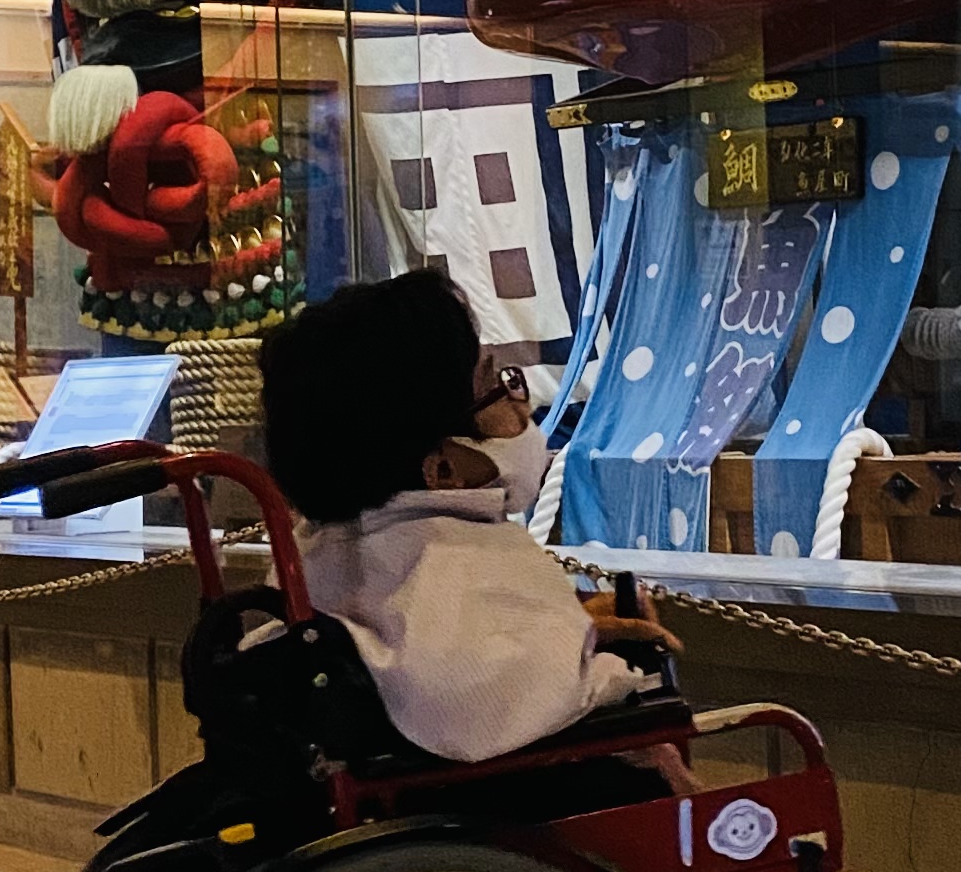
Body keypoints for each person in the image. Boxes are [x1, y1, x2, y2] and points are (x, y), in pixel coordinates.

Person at [258, 269, 666, 763]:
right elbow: (482, 700)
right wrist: (616, 672)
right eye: (495, 385)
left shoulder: (322, 552)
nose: (522, 408)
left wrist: (566, 628)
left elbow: (443, 649)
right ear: (442, 469)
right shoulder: (444, 554)